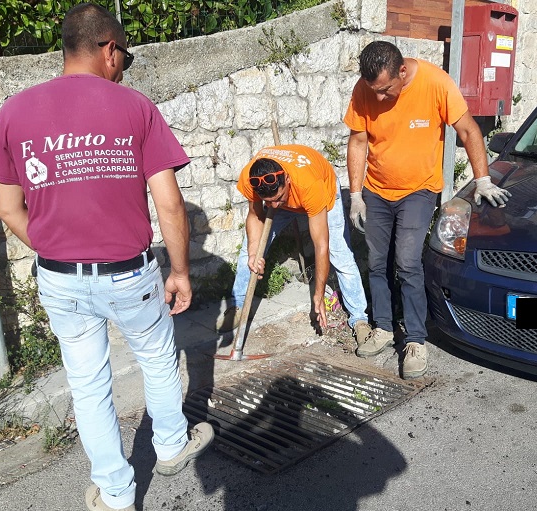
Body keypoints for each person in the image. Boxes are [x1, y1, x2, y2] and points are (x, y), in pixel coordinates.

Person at [0, 3, 213, 511]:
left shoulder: (15, 111)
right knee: (157, 356)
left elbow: (6, 209)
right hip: (129, 273)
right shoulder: (135, 107)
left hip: (60, 277)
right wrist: (179, 271)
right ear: (110, 49)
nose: (124, 66)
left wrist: (56, 247)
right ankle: (171, 446)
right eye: (125, 56)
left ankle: (117, 496)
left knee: (88, 384)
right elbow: (169, 203)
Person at [344, 40, 510, 379]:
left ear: (402, 71)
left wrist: (482, 179)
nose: (379, 98)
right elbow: (358, 141)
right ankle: (384, 327)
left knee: (407, 262)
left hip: (418, 191)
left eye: (385, 90)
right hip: (376, 191)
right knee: (377, 262)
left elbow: (468, 129)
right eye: (374, 91)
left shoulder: (436, 83)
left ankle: (416, 340)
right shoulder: (365, 89)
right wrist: (356, 195)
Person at [217, 144, 372, 350]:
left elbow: (321, 245)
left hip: (322, 187)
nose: (273, 206)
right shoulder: (250, 178)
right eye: (267, 201)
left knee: (339, 253)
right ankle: (238, 306)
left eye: (277, 199)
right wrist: (254, 253)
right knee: (249, 248)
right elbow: (255, 215)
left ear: (287, 180)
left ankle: (359, 319)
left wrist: (318, 294)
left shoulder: (310, 185)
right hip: (294, 193)